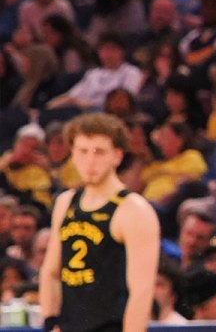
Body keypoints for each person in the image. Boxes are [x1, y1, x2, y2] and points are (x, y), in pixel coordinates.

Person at [38, 113, 160, 332]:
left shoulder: (134, 210)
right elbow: (50, 272)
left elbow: (142, 291)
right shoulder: (66, 202)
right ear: (72, 153)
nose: (90, 161)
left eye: (99, 152)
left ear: (117, 156)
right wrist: (50, 321)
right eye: (83, 151)